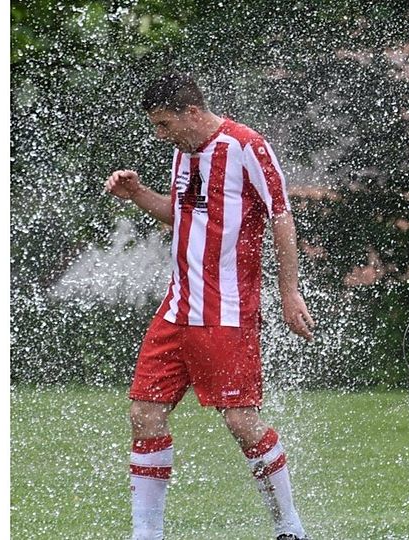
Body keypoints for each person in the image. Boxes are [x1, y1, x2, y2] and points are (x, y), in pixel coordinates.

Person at [104, 72, 315, 540]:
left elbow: (281, 216)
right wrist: (138, 194)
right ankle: (146, 534)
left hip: (225, 311)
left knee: (241, 421)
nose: (160, 135)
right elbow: (180, 216)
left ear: (192, 113)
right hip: (176, 308)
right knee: (143, 412)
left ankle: (290, 528)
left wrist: (289, 290)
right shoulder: (184, 153)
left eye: (163, 124)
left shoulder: (246, 146)